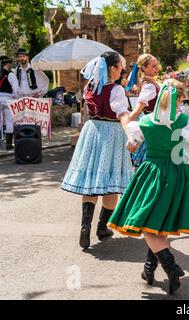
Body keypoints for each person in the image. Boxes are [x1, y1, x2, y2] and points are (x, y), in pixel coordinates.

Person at [108, 79, 189, 295]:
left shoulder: (146, 121)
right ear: (180, 98)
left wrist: (133, 142)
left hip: (152, 172)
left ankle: (171, 266)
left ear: (159, 98)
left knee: (146, 222)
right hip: (178, 173)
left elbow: (131, 147)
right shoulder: (186, 121)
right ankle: (149, 269)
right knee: (159, 222)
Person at [61, 52, 141, 250]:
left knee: (91, 182)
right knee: (111, 183)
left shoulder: (90, 86)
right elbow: (122, 114)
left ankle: (84, 227)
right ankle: (102, 227)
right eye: (120, 67)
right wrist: (131, 134)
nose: (123, 70)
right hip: (112, 134)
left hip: (93, 131)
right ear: (112, 68)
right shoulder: (116, 90)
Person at [126, 54, 161, 168]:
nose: (157, 68)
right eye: (153, 66)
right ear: (144, 68)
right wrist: (125, 127)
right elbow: (137, 110)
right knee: (146, 165)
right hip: (151, 127)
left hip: (155, 125)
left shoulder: (151, 83)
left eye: (157, 65)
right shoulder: (149, 86)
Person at [0, 56, 19, 150]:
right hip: (7, 99)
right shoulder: (10, 74)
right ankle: (8, 144)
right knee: (9, 121)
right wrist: (15, 97)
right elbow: (16, 89)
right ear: (7, 64)